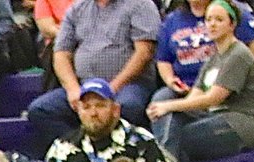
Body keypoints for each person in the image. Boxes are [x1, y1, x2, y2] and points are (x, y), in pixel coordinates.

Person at [145, 0, 254, 162]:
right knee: (173, 131)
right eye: (208, 20)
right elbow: (195, 95)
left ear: (232, 25)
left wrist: (167, 106)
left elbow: (213, 98)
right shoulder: (214, 57)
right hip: (219, 117)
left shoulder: (238, 54)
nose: (212, 24)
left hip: (245, 122)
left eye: (219, 20)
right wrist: (169, 110)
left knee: (178, 141)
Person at [26, 0, 160, 148]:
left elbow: (144, 52)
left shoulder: (141, 5)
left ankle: (116, 156)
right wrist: (73, 89)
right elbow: (61, 54)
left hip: (129, 84)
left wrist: (111, 88)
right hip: (85, 86)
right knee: (40, 110)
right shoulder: (77, 9)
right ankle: (80, 151)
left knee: (126, 107)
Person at [43, 78, 170, 162]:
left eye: (100, 106)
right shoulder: (62, 147)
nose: (93, 113)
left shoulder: (142, 141)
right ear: (79, 112)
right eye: (86, 107)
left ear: (116, 110)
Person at [155, 0, 254, 105]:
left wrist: (246, 78)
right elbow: (163, 59)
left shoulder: (230, 11)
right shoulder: (171, 21)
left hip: (225, 87)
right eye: (208, 20)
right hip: (185, 87)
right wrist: (170, 80)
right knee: (160, 100)